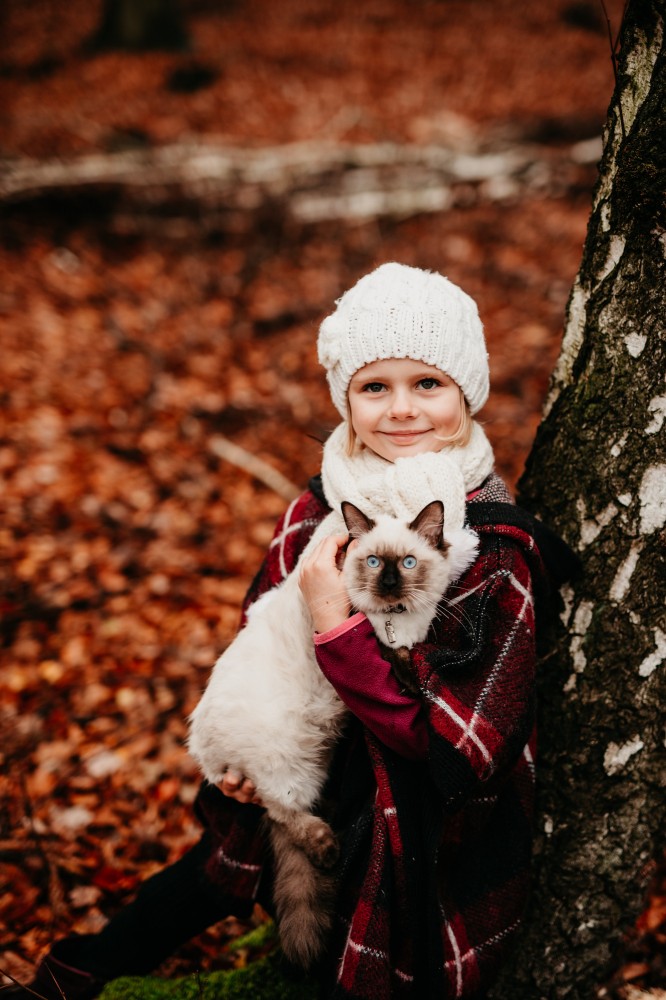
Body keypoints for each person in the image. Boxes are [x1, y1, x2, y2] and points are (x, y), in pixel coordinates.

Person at [8, 263, 564, 1000]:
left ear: (467, 392)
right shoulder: (321, 507)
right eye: (375, 387)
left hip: (418, 816)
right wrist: (249, 742)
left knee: (364, 940)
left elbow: (458, 753)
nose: (401, 410)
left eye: (427, 384)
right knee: (218, 862)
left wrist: (338, 626)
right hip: (311, 754)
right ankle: (68, 976)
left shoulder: (490, 544)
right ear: (346, 399)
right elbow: (258, 638)